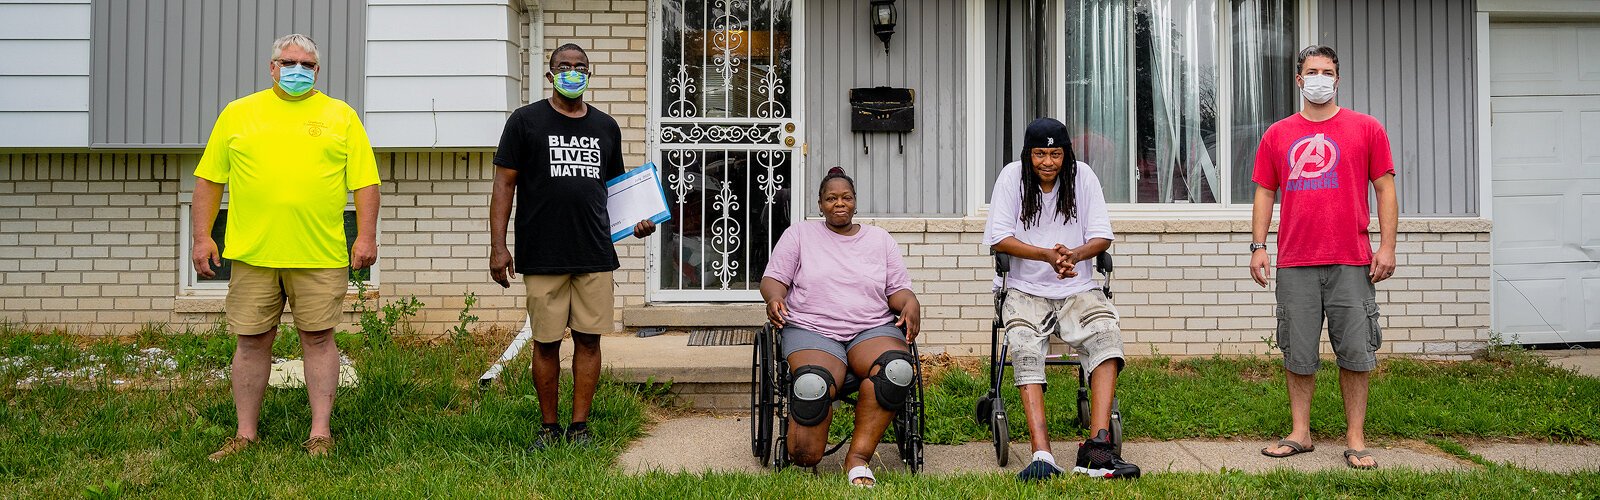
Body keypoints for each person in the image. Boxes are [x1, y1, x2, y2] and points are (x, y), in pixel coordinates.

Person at [193, 33, 380, 460]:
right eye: (288, 62)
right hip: (254, 254)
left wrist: (366, 236)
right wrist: (202, 236)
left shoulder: (341, 116)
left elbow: (366, 183)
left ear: (318, 70)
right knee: (252, 341)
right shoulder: (239, 113)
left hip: (318, 254)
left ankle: (320, 434)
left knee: (318, 339)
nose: (297, 70)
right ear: (272, 66)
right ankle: (244, 435)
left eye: (307, 64)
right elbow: (209, 180)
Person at [488, 43, 656, 450]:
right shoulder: (525, 122)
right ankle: (549, 427)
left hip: (594, 251)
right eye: (564, 66)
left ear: (589, 74)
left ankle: (579, 426)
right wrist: (498, 246)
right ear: (550, 74)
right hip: (543, 252)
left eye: (580, 66)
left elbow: (614, 190)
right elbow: (504, 184)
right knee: (545, 341)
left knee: (589, 339)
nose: (572, 71)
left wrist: (635, 223)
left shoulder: (606, 127)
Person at [1251, 45, 1398, 470]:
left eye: (1327, 71)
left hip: (1352, 258)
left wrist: (1386, 246)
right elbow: (1264, 190)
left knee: (1356, 350)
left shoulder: (1366, 128)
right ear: (1299, 80)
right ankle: (1301, 432)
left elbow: (1385, 188)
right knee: (1298, 351)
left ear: (1338, 79)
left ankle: (1355, 437)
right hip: (1295, 259)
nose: (1319, 77)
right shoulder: (1277, 134)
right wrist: (1258, 245)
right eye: (1311, 71)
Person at [983, 118, 1140, 480]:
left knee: (1105, 333)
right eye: (1040, 154)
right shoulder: (1011, 178)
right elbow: (999, 239)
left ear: (1066, 154)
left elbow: (1101, 236)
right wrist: (1047, 256)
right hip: (1024, 289)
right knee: (1023, 344)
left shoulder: (1083, 177)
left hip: (1077, 288)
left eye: (1055, 154)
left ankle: (1097, 450)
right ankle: (1042, 455)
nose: (1048, 162)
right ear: (1028, 155)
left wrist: (1074, 256)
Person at [760, 167, 922, 488]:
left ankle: (858, 459)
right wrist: (775, 298)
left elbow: (897, 290)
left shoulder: (879, 240)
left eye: (846, 197)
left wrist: (910, 303)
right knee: (810, 387)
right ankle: (807, 455)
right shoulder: (800, 235)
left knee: (898, 371)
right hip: (812, 329)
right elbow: (773, 280)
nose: (839, 203)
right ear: (820, 204)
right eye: (831, 198)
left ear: (855, 202)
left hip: (871, 328)